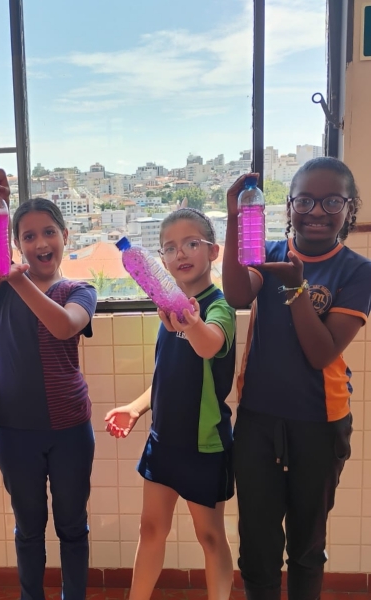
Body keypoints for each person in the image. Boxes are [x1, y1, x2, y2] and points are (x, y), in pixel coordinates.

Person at [222, 157, 371, 600]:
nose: (317, 211)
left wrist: (295, 288)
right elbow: (235, 294)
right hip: (258, 421)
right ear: (288, 206)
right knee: (257, 545)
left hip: (320, 425)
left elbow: (321, 353)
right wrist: (234, 218)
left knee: (307, 545)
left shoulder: (357, 271)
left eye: (332, 202)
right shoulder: (267, 254)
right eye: (304, 200)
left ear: (350, 207)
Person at [0, 167, 98, 600]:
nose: (41, 242)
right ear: (16, 245)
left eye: (49, 232)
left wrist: (19, 278)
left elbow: (63, 326)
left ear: (65, 235)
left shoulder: (80, 290)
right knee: (28, 529)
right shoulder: (0, 285)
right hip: (15, 429)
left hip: (70, 429)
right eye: (28, 236)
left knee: (72, 526)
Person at [105, 208, 236, 600]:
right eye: (170, 247)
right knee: (150, 530)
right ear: (161, 262)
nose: (181, 253)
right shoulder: (168, 309)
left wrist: (191, 323)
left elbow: (210, 344)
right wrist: (136, 407)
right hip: (163, 442)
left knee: (210, 536)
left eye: (192, 243)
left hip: (204, 445)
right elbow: (169, 377)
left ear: (213, 251)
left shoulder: (218, 307)